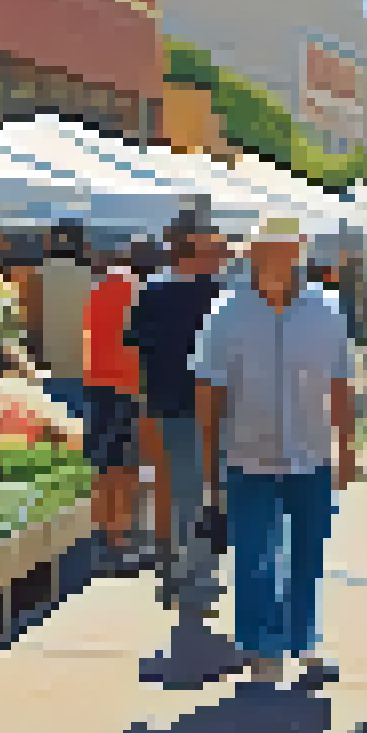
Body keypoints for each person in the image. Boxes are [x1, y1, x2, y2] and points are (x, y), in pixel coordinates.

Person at [194, 216, 356, 684]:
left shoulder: (326, 309)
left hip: (311, 453)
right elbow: (208, 389)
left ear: (299, 252)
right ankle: (261, 646)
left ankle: (302, 642)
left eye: (286, 249)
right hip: (249, 455)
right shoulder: (226, 312)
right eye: (268, 249)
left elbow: (340, 382)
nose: (277, 258)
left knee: (308, 554)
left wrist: (346, 449)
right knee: (255, 555)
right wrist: (210, 461)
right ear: (253, 254)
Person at [127, 214, 229, 589]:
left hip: (166, 400)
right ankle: (192, 567)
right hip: (214, 404)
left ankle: (175, 561)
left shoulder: (152, 291)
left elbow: (137, 347)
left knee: (174, 485)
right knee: (206, 484)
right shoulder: (221, 295)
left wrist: (144, 400)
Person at [83, 243, 147, 575]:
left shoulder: (99, 288)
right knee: (124, 467)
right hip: (127, 385)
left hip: (97, 382)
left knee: (103, 465)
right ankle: (119, 542)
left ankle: (102, 538)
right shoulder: (137, 291)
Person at [23, 223, 97, 424]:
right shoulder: (89, 276)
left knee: (53, 420)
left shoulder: (40, 276)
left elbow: (33, 320)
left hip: (50, 360)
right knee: (79, 420)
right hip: (80, 360)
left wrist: (33, 354)